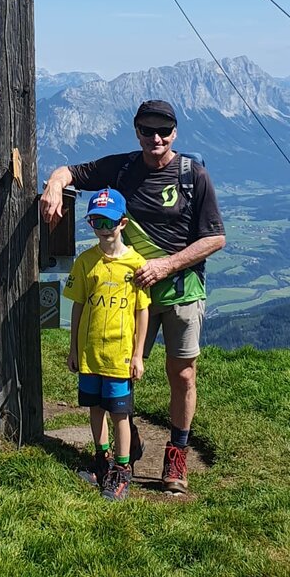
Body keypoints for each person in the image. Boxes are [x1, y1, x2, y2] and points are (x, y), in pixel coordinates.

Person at [41, 99, 225, 494]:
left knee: (183, 374)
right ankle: (124, 448)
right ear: (137, 131)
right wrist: (55, 185)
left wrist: (166, 266)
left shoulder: (194, 175)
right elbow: (71, 171)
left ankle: (176, 454)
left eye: (163, 131)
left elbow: (215, 238)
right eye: (147, 130)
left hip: (180, 290)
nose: (155, 138)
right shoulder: (122, 167)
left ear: (174, 132)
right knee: (122, 369)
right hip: (129, 292)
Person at [65, 187, 150, 503]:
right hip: (90, 355)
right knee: (95, 408)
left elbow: (142, 310)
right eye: (96, 221)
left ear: (123, 223)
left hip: (119, 356)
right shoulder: (86, 261)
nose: (103, 228)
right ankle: (101, 461)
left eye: (109, 222)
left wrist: (138, 355)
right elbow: (77, 305)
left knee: (120, 414)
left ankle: (122, 469)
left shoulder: (136, 264)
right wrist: (74, 348)